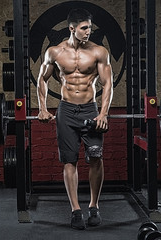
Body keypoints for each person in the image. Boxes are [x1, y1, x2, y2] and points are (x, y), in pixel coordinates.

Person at [37, 8, 113, 230]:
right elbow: (42, 80)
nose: (89, 31)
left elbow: (107, 83)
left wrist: (103, 113)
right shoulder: (55, 52)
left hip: (90, 110)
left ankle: (94, 206)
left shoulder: (99, 52)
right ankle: (76, 210)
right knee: (70, 161)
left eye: (90, 27)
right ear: (72, 28)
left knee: (96, 158)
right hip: (66, 111)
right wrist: (42, 108)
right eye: (84, 28)